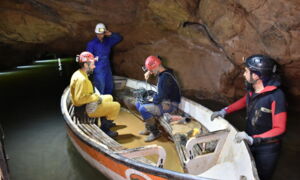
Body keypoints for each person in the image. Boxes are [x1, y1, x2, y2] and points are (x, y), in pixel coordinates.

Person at [211, 54, 287, 180]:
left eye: (246, 71)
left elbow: (279, 128)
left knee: (261, 176)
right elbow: (245, 100)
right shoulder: (254, 89)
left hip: (267, 149)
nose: (244, 74)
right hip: (250, 139)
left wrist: (253, 139)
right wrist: (225, 111)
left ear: (256, 75)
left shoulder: (276, 96)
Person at [70, 51, 120, 138]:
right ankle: (105, 130)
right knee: (116, 106)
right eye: (92, 64)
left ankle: (106, 121)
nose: (94, 66)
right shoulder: (82, 80)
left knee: (109, 97)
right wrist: (96, 97)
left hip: (86, 104)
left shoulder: (80, 73)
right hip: (84, 109)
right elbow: (79, 100)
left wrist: (95, 97)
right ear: (86, 65)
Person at [136, 56, 181, 142]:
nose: (151, 73)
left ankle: (155, 132)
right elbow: (155, 61)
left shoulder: (165, 78)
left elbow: (160, 98)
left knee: (143, 108)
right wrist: (149, 71)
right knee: (138, 103)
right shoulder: (164, 71)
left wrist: (150, 100)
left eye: (151, 70)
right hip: (164, 101)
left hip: (170, 106)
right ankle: (148, 128)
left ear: (156, 66)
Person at [86, 23, 122, 95]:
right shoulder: (91, 44)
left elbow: (119, 38)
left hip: (107, 67)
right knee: (100, 87)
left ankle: (107, 102)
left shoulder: (108, 41)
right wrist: (89, 71)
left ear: (104, 33)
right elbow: (88, 58)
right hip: (98, 68)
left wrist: (111, 34)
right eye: (98, 34)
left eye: (101, 33)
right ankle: (99, 104)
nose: (100, 35)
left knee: (109, 86)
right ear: (95, 33)